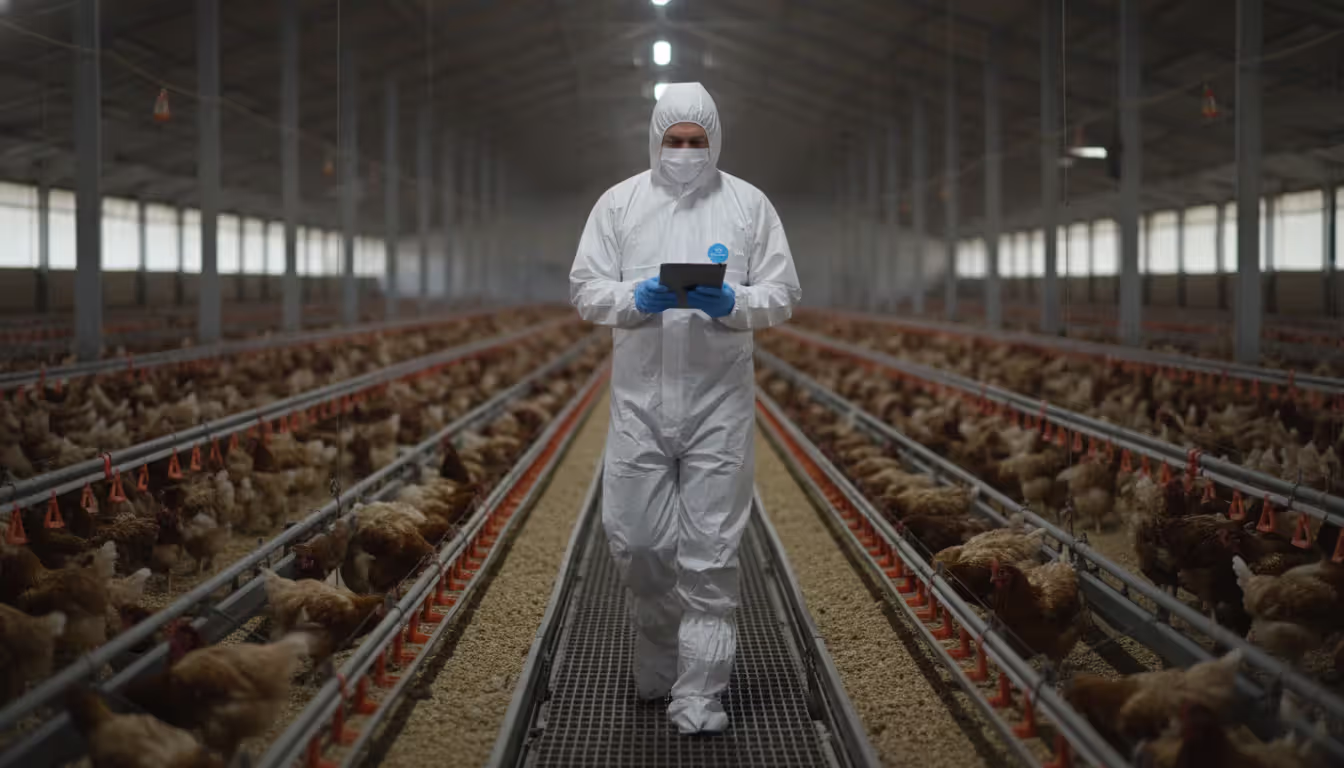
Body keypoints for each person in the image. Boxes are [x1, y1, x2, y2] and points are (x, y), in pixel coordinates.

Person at [569, 82, 801, 734]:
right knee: (638, 542)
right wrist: (635, 298)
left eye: (697, 142)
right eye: (675, 141)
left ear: (715, 141)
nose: (686, 152)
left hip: (718, 404)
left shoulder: (749, 206)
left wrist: (737, 306)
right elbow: (586, 291)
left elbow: (782, 293)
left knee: (709, 556)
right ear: (656, 140)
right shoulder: (619, 204)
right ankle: (660, 648)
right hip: (640, 402)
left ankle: (699, 694)